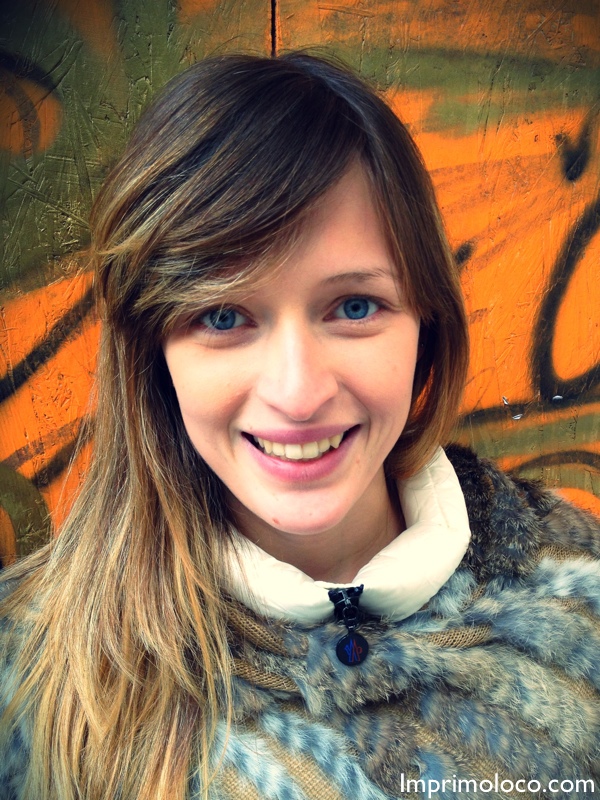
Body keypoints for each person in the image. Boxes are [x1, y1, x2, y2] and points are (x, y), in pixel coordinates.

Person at [1, 52, 599, 800]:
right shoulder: (26, 668)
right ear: (154, 353)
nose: (298, 393)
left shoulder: (581, 590)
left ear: (427, 323)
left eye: (354, 307)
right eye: (224, 317)